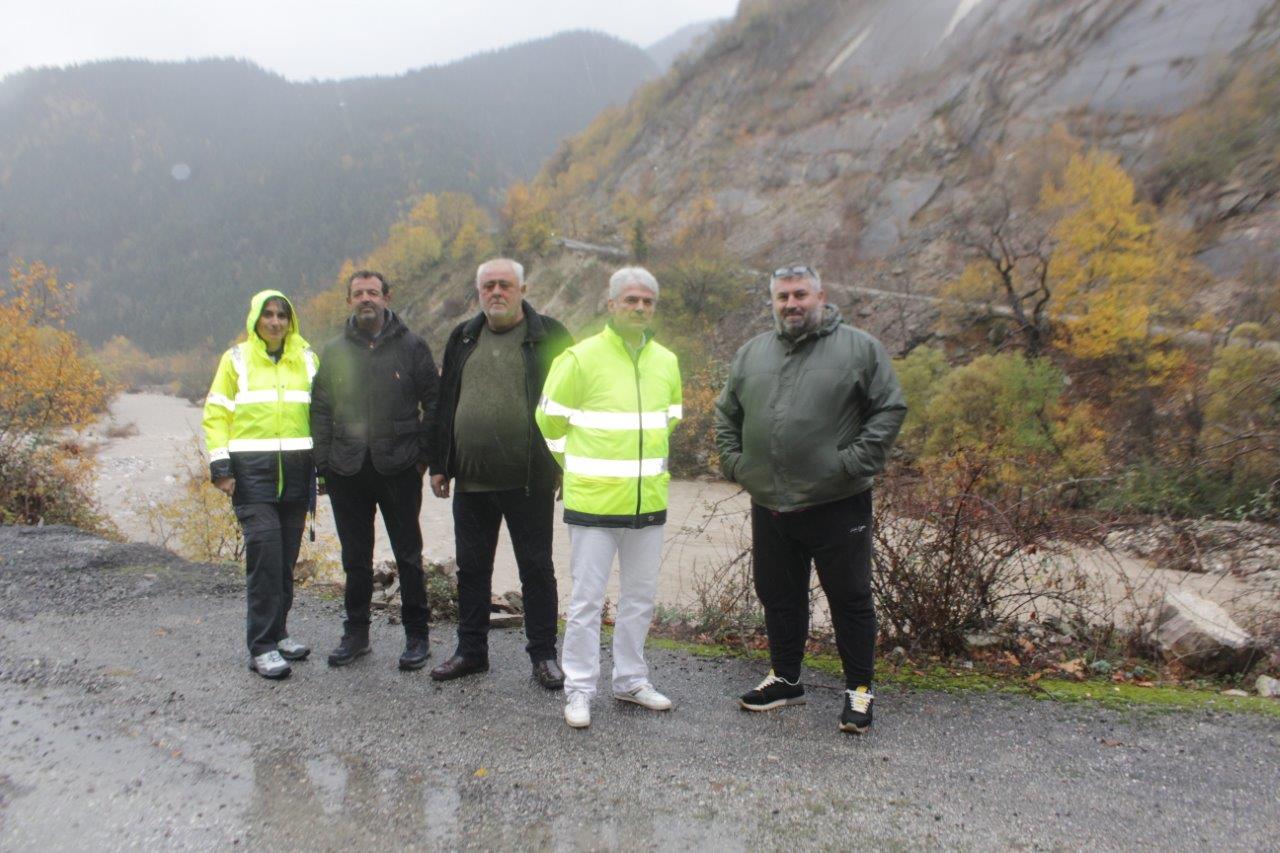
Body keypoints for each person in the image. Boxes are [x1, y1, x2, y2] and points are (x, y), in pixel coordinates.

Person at [714, 264, 906, 733]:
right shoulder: (753, 353)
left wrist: (851, 464)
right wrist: (737, 465)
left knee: (850, 598)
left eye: (800, 294)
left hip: (837, 501)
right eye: (782, 297)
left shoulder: (860, 348)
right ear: (773, 302)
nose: (791, 304)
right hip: (771, 502)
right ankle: (786, 679)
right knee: (779, 596)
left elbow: (889, 408)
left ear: (821, 295)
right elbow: (726, 415)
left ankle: (859, 690)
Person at [535, 267, 682, 729]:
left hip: (647, 504)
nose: (639, 308)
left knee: (640, 598)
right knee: (586, 601)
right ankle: (579, 690)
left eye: (647, 302)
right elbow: (549, 423)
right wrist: (576, 467)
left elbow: (668, 422)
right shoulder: (579, 359)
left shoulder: (666, 362)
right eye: (631, 300)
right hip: (594, 506)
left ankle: (631, 680)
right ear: (612, 303)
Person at [428, 258, 573, 689]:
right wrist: (440, 462)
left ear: (523, 288)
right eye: (489, 285)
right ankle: (471, 652)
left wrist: (566, 463)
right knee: (472, 570)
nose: (497, 292)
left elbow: (573, 403)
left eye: (505, 285)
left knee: (536, 568)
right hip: (471, 481)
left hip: (530, 478)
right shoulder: (464, 336)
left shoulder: (549, 334)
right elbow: (445, 401)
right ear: (479, 292)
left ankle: (543, 656)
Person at [310, 270, 440, 671]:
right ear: (349, 300)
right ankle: (356, 635)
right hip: (347, 469)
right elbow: (320, 408)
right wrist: (323, 462)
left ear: (387, 296)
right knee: (355, 558)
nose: (366, 299)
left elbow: (434, 403)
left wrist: (422, 457)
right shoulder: (334, 351)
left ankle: (417, 637)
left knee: (408, 556)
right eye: (358, 293)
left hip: (399, 466)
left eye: (372, 292)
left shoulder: (412, 346)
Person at [203, 290, 318, 679]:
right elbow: (217, 413)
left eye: (282, 315)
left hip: (298, 474)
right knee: (265, 559)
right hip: (252, 476)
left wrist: (326, 466)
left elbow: (321, 413)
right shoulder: (235, 360)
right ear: (255, 320)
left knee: (285, 559)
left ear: (291, 320)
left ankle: (280, 631)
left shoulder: (307, 358)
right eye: (267, 315)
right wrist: (221, 466)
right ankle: (262, 646)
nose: (274, 322)